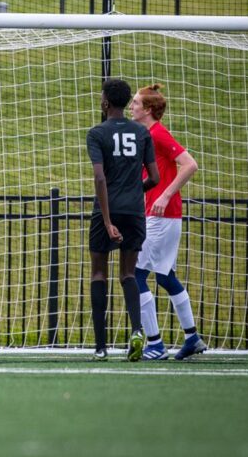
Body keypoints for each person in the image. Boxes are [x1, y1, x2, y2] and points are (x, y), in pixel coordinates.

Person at [129, 83, 207, 361]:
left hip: (161, 216)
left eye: (136, 103)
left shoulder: (158, 133)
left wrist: (164, 194)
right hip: (159, 215)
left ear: (148, 110)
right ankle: (192, 338)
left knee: (135, 275)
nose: (132, 106)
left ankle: (155, 344)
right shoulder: (144, 134)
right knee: (164, 276)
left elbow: (190, 164)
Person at [86, 78, 159, 362]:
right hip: (134, 211)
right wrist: (132, 190)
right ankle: (137, 332)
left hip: (107, 209)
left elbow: (99, 177)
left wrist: (106, 221)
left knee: (98, 274)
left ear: (105, 102)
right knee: (129, 274)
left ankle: (101, 347)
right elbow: (154, 178)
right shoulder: (142, 133)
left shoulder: (97, 133)